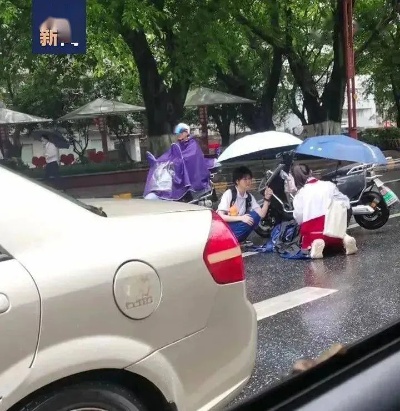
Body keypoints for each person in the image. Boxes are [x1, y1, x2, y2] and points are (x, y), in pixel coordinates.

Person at [291, 164, 357, 259]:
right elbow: (345, 202)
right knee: (342, 214)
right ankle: (343, 237)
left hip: (312, 231)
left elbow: (299, 217)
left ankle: (315, 243)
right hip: (332, 229)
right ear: (311, 172)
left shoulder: (300, 194)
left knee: (306, 235)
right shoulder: (328, 185)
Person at [217, 166, 273, 243]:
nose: (248, 181)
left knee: (255, 215)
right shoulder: (229, 194)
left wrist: (267, 199)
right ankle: (231, 241)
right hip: (225, 230)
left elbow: (261, 214)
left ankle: (238, 240)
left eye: (249, 178)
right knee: (252, 216)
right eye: (245, 179)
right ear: (237, 181)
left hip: (238, 228)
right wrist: (241, 218)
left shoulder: (249, 197)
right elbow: (220, 217)